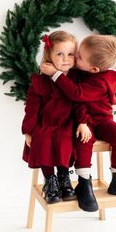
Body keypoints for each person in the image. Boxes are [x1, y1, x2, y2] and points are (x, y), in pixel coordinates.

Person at [40, 34, 116, 212]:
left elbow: (77, 94)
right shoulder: (82, 70)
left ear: (95, 69)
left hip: (102, 120)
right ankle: (84, 183)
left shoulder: (101, 81)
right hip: (83, 120)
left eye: (79, 56)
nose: (74, 57)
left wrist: (56, 74)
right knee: (84, 140)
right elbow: (76, 102)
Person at [21, 31, 92, 204]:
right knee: (43, 140)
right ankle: (50, 181)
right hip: (45, 123)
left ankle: (63, 176)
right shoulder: (40, 81)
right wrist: (28, 131)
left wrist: (82, 122)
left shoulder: (76, 78)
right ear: (49, 55)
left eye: (70, 54)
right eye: (60, 54)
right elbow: (31, 108)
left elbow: (79, 102)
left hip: (67, 123)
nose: (66, 58)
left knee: (65, 141)